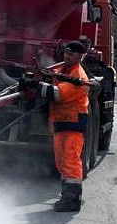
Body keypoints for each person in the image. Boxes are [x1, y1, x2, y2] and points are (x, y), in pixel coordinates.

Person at [20, 41, 92, 212]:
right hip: (62, 123)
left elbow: (57, 94)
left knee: (71, 161)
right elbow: (54, 81)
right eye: (65, 53)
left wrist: (35, 86)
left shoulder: (79, 77)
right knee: (62, 162)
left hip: (73, 123)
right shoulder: (64, 71)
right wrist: (39, 78)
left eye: (70, 54)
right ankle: (66, 195)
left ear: (79, 57)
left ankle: (72, 200)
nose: (66, 56)